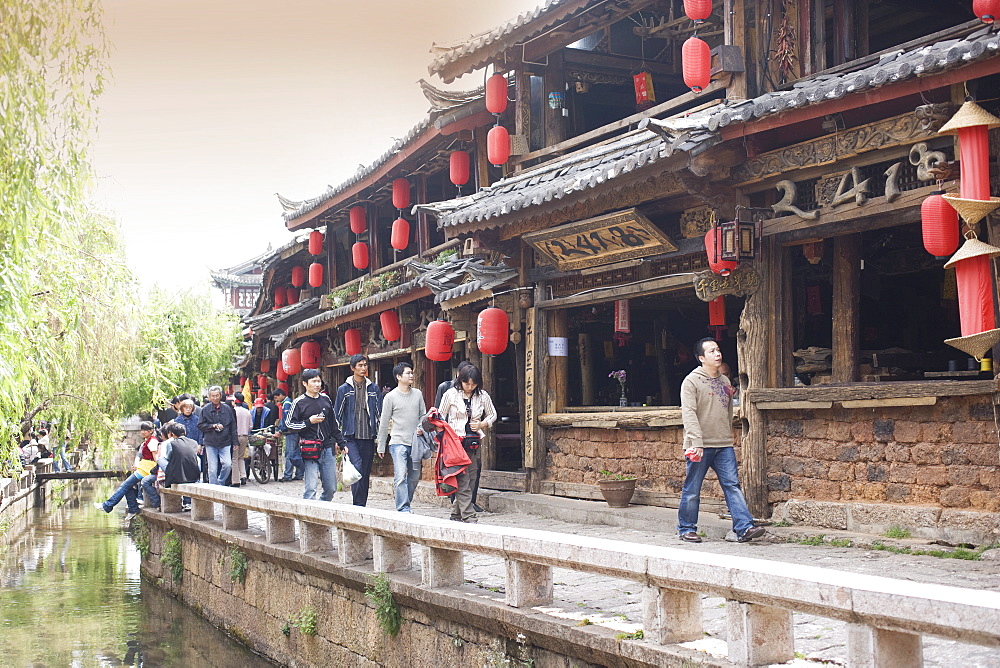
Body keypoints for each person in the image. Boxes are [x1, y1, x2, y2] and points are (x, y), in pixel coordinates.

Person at [677, 338, 765, 544]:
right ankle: (686, 528)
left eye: (718, 349)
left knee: (732, 485)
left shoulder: (725, 381)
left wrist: (727, 435)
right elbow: (688, 413)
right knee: (693, 488)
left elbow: (727, 412)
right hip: (699, 445)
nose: (717, 354)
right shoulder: (691, 382)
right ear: (701, 358)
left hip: (723, 444)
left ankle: (744, 528)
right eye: (711, 351)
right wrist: (695, 442)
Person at [438, 365, 496, 523]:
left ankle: (456, 513)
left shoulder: (482, 396)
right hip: (455, 442)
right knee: (462, 478)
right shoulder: (450, 394)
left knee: (471, 478)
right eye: (467, 384)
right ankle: (469, 516)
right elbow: (441, 416)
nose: (470, 387)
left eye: (473, 384)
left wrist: (482, 424)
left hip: (472, 442)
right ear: (460, 381)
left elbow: (493, 414)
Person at [285, 368, 346, 501]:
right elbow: (289, 424)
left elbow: (333, 423)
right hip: (309, 449)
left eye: (319, 381)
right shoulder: (299, 402)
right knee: (311, 487)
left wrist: (341, 442)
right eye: (314, 381)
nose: (317, 384)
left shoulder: (326, 400)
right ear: (305, 383)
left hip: (327, 448)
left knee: (331, 488)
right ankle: (308, 518)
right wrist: (308, 422)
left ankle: (320, 509)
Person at [376, 361, 427, 513]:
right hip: (397, 442)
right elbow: (384, 422)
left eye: (412, 372)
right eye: (408, 373)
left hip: (416, 442)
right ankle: (403, 507)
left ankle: (406, 501)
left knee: (415, 476)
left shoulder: (417, 394)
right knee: (399, 476)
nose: (411, 375)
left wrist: (421, 428)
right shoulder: (390, 397)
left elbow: (423, 416)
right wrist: (381, 444)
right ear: (398, 376)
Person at [334, 354, 383, 506]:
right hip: (350, 436)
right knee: (358, 467)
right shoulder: (344, 389)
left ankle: (361, 505)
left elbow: (380, 413)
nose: (363, 368)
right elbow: (337, 414)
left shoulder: (374, 388)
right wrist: (337, 439)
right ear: (352, 368)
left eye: (365, 365)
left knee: (365, 473)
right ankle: (357, 504)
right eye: (360, 365)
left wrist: (381, 437)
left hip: (368, 436)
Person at [93, 421, 158, 520]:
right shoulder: (146, 441)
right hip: (143, 468)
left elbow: (155, 458)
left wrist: (157, 470)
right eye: (142, 430)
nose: (143, 432)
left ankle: (107, 505)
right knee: (127, 487)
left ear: (151, 431)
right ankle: (133, 509)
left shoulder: (152, 441)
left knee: (125, 485)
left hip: (147, 469)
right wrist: (137, 463)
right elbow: (140, 454)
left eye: (146, 430)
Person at [197, 386, 237, 486]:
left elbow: (233, 426)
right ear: (209, 397)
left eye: (217, 395)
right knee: (212, 469)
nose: (215, 398)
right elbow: (200, 425)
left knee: (228, 465)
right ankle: (213, 488)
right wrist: (212, 426)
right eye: (213, 396)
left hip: (225, 441)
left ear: (221, 395)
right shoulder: (205, 409)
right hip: (211, 442)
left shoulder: (228, 409)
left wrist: (235, 441)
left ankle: (221, 482)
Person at [275, 387, 303, 482]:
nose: (277, 400)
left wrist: (280, 431)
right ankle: (299, 474)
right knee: (296, 453)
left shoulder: (287, 404)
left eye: (277, 397)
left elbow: (287, 420)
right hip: (295, 431)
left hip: (291, 432)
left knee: (290, 454)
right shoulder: (289, 402)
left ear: (281, 395)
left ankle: (288, 475)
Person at [232, 397, 252, 485]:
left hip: (235, 436)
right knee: (241, 457)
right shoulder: (247, 412)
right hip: (245, 436)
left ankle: (236, 479)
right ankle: (243, 476)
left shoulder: (233, 411)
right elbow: (250, 426)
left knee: (234, 458)